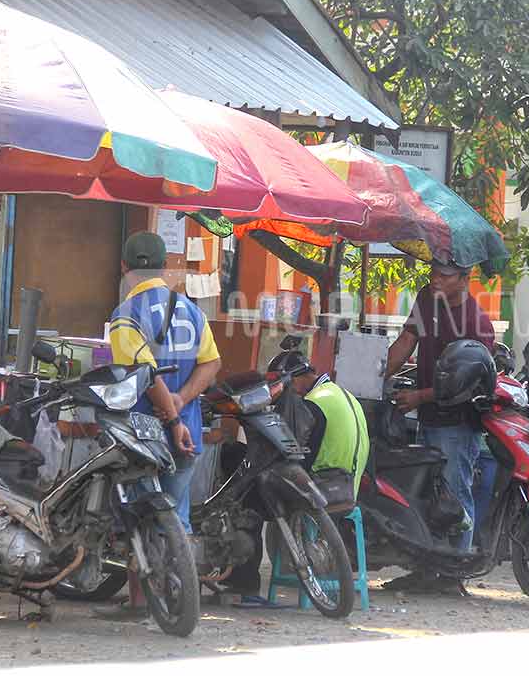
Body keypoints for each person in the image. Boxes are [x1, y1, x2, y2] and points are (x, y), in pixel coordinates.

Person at [96, 231, 221, 619]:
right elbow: (212, 365)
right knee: (176, 514)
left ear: (124, 267)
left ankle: (140, 603)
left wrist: (169, 413)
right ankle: (178, 599)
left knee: (139, 512)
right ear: (165, 265)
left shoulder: (125, 317)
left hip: (143, 434)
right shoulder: (191, 310)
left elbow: (146, 377)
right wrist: (182, 403)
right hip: (188, 430)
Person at [214, 352, 370, 606]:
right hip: (347, 486)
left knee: (246, 501)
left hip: (323, 488)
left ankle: (244, 586)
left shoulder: (312, 404)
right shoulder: (341, 395)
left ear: (295, 378)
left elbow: (296, 455)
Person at [383, 261, 494, 592]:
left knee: (454, 497)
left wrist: (420, 396)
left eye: (444, 275)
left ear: (465, 279)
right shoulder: (426, 300)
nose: (435, 279)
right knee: (427, 498)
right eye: (433, 271)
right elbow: (406, 341)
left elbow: (473, 385)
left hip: (457, 423)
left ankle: (453, 574)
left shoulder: (477, 324)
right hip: (429, 417)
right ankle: (426, 569)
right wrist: (374, 376)